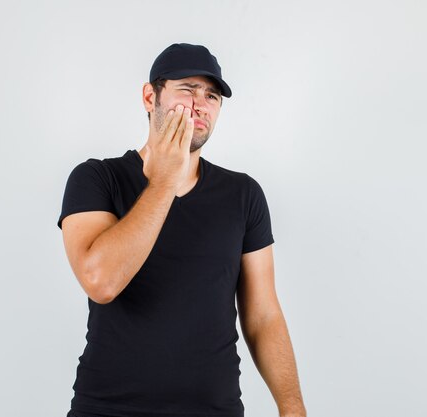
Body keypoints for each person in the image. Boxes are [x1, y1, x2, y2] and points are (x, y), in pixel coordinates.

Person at [57, 43, 307, 417]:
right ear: (149, 97)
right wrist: (163, 182)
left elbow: (263, 315)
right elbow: (101, 281)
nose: (200, 104)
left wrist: (293, 408)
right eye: (187, 89)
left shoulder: (243, 194)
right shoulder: (96, 179)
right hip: (109, 409)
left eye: (212, 96)